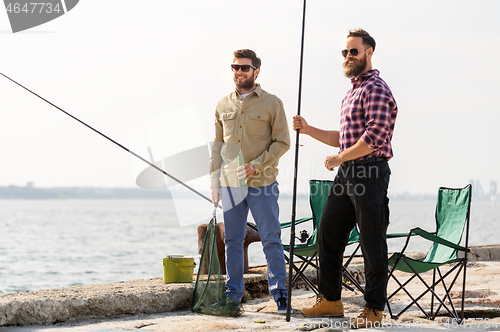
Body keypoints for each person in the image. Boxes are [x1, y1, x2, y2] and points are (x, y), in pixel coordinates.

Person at [295, 29, 398, 328]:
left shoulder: (376, 88)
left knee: (371, 241)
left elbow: (374, 137)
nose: (348, 56)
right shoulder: (352, 91)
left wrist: (341, 158)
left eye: (354, 51)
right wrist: (309, 129)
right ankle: (330, 300)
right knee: (327, 233)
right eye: (345, 52)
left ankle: (374, 309)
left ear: (369, 52)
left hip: (369, 172)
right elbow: (344, 138)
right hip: (347, 174)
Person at [210, 49, 290, 314]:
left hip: (263, 183)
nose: (239, 72)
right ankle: (233, 295)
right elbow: (218, 146)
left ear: (256, 70)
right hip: (230, 184)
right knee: (232, 240)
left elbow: (282, 142)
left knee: (271, 238)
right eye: (235, 67)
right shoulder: (222, 105)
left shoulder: (272, 103)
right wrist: (214, 182)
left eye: (244, 67)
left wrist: (257, 165)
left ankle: (280, 295)